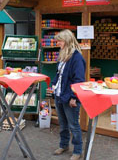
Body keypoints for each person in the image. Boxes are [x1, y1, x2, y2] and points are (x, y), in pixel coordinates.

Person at [51, 29, 86, 160]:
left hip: (69, 96)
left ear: (66, 41)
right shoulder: (63, 55)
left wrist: (74, 97)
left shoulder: (77, 58)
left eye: (59, 41)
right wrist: (53, 84)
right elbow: (59, 74)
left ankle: (77, 151)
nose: (57, 43)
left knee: (73, 125)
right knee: (63, 123)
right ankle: (64, 145)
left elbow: (79, 80)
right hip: (60, 94)